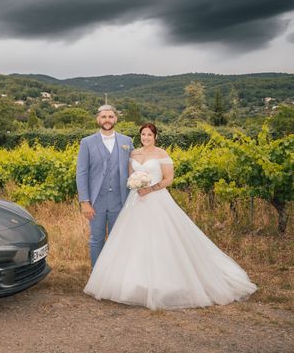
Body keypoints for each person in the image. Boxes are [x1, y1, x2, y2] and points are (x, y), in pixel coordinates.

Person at [84, 122, 257, 309]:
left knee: (160, 240)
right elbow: (130, 177)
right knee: (133, 241)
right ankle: (132, 283)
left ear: (155, 137)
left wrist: (149, 189)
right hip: (135, 202)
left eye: (149, 135)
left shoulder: (162, 154)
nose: (146, 138)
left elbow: (168, 179)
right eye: (143, 135)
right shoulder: (133, 154)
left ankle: (164, 283)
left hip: (156, 199)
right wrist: (136, 185)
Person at [76, 104, 134, 267]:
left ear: (115, 118)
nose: (107, 120)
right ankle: (96, 276)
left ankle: (115, 276)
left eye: (110, 117)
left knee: (119, 240)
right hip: (96, 201)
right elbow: (81, 173)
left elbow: (134, 165)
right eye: (104, 117)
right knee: (96, 240)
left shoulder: (126, 141)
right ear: (98, 119)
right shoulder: (86, 142)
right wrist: (84, 201)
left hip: (120, 200)